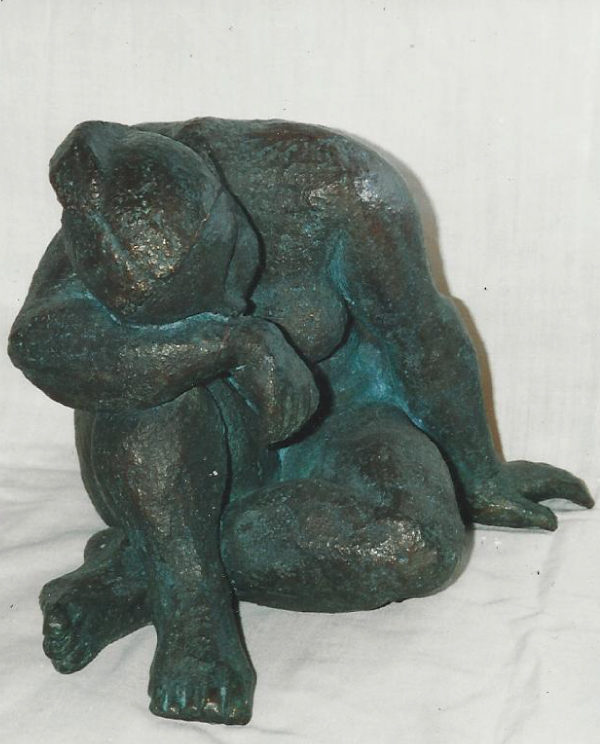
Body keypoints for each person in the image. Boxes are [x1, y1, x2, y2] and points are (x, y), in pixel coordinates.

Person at [8, 118, 592, 725]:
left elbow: (417, 330)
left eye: (227, 264)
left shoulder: (338, 185)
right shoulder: (115, 203)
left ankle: (143, 572)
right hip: (171, 467)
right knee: (144, 386)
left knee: (417, 546)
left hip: (337, 421)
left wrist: (480, 475)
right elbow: (41, 341)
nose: (231, 301)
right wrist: (222, 344)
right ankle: (192, 610)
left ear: (223, 205)